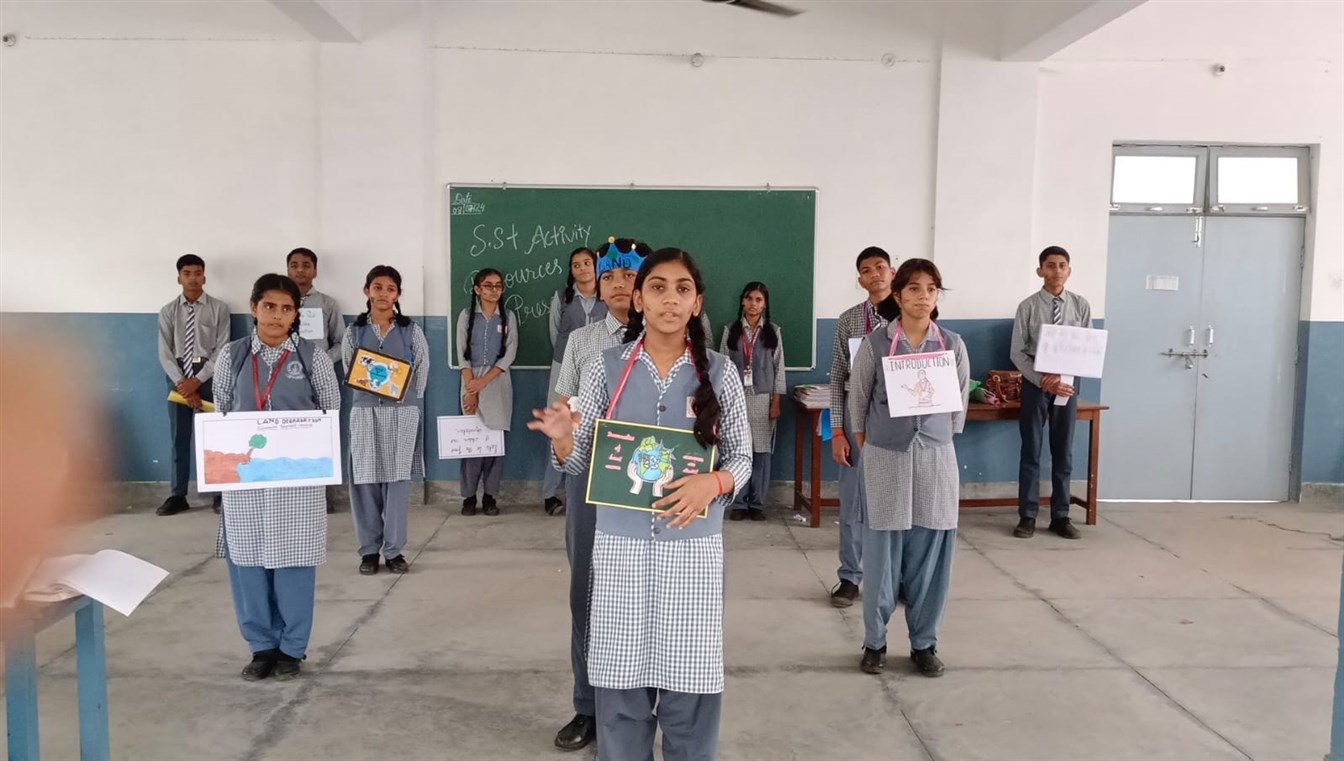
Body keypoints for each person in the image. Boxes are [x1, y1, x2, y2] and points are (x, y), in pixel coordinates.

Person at [530, 248, 751, 761]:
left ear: (697, 303)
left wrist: (713, 482)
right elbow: (578, 460)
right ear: (638, 299)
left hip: (691, 551)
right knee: (620, 683)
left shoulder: (721, 373)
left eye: (682, 289)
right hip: (621, 550)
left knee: (690, 681)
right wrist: (563, 438)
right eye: (657, 287)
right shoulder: (605, 368)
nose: (670, 299)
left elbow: (742, 457)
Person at [548, 236, 649, 752]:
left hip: (649, 486)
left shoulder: (670, 338)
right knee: (587, 593)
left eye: (630, 276)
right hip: (589, 481)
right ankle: (588, 706)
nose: (618, 285)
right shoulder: (582, 341)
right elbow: (563, 408)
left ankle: (644, 704)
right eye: (608, 276)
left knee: (648, 594)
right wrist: (562, 443)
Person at [214, 273, 341, 681]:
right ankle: (261, 646)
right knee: (248, 561)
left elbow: (330, 409)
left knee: (294, 563)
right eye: (269, 306)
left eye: (287, 309)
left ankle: (291, 648)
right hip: (246, 479)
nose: (277, 315)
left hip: (296, 480)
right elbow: (221, 410)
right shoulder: (232, 356)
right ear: (253, 308)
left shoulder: (313, 358)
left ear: (295, 314)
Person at [848, 258, 968, 678]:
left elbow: (957, 411)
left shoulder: (951, 344)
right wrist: (869, 444)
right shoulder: (876, 344)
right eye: (914, 289)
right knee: (882, 554)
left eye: (931, 289)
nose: (923, 297)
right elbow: (857, 401)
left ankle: (924, 643)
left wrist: (934, 437)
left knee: (932, 552)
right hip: (886, 456)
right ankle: (875, 642)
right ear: (897, 295)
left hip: (936, 457)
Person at [343, 266, 430, 574]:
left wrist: (405, 397)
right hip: (365, 413)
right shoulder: (354, 331)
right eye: (377, 287)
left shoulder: (411, 331)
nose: (383, 293)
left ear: (398, 295)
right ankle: (368, 551)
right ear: (367, 291)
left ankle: (394, 551)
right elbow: (350, 369)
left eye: (390, 289)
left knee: (397, 482)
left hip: (401, 414)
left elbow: (422, 370)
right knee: (364, 481)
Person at [826, 246, 896, 606]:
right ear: (860, 280)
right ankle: (850, 577)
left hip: (897, 417)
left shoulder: (909, 315)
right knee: (853, 501)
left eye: (880, 267)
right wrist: (838, 430)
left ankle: (897, 578)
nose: (875, 274)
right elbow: (838, 377)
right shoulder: (849, 319)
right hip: (856, 415)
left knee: (897, 501)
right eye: (867, 270)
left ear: (893, 272)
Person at [1010, 245, 1092, 540]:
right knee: (1031, 449)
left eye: (1062, 265)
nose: (1056, 270)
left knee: (1063, 449)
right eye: (1050, 265)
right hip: (1036, 384)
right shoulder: (1028, 306)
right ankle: (1028, 515)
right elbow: (1017, 352)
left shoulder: (1081, 305)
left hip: (1067, 383)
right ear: (1039, 271)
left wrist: (1063, 379)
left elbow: (1088, 347)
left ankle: (1061, 515)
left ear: (1069, 271)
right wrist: (1042, 379)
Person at [157, 253, 230, 516]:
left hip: (208, 377)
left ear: (204, 277)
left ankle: (219, 494)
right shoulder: (168, 311)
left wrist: (197, 381)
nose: (193, 278)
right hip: (177, 378)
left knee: (214, 437)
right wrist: (182, 383)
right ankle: (178, 495)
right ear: (179, 278)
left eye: (198, 273)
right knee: (179, 437)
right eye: (187, 274)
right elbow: (165, 352)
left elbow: (222, 348)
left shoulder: (219, 309)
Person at [543, 246, 606, 515]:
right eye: (576, 264)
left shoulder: (608, 295)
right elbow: (554, 332)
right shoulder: (562, 297)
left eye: (587, 263)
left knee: (594, 429)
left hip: (600, 370)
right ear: (571, 270)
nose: (582, 268)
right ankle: (550, 494)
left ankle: (587, 493)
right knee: (559, 426)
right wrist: (569, 358)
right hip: (564, 367)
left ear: (596, 266)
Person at [720, 281, 786, 521]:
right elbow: (723, 366)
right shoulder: (730, 330)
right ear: (742, 301)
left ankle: (757, 504)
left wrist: (776, 402)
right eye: (749, 299)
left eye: (758, 300)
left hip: (763, 398)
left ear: (765, 304)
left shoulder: (773, 332)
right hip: (735, 398)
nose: (753, 304)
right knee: (738, 450)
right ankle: (738, 503)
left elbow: (779, 368)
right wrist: (722, 400)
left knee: (761, 452)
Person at [456, 268, 519, 516]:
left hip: (498, 382)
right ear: (477, 289)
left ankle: (490, 496)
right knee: (471, 443)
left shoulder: (508, 317)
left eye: (498, 286)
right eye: (488, 286)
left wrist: (484, 382)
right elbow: (461, 355)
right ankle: (469, 496)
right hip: (470, 380)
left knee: (495, 444)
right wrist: (471, 389)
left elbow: (509, 354)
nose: (494, 290)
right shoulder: (466, 316)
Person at [285, 247, 344, 369]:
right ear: (288, 271)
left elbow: (341, 342)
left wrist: (323, 361)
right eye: (294, 266)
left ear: (315, 272)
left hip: (318, 370)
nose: (300, 270)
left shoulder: (328, 304)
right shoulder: (279, 304)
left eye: (306, 265)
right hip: (284, 368)